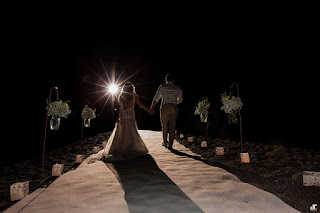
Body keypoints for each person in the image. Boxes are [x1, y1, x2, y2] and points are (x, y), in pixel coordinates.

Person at [88, 82, 150, 163]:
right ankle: (130, 148)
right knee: (131, 132)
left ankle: (122, 148)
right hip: (130, 116)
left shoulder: (121, 96)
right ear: (131, 89)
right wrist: (148, 109)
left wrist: (118, 118)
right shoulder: (134, 96)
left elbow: (121, 108)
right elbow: (140, 104)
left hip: (123, 116)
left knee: (122, 132)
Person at [150, 73, 183, 150]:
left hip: (164, 107)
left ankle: (165, 142)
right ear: (173, 80)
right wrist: (174, 102)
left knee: (164, 125)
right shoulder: (177, 88)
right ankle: (170, 144)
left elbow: (156, 98)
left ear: (166, 79)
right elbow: (181, 100)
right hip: (173, 107)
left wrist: (152, 108)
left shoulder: (162, 87)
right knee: (172, 125)